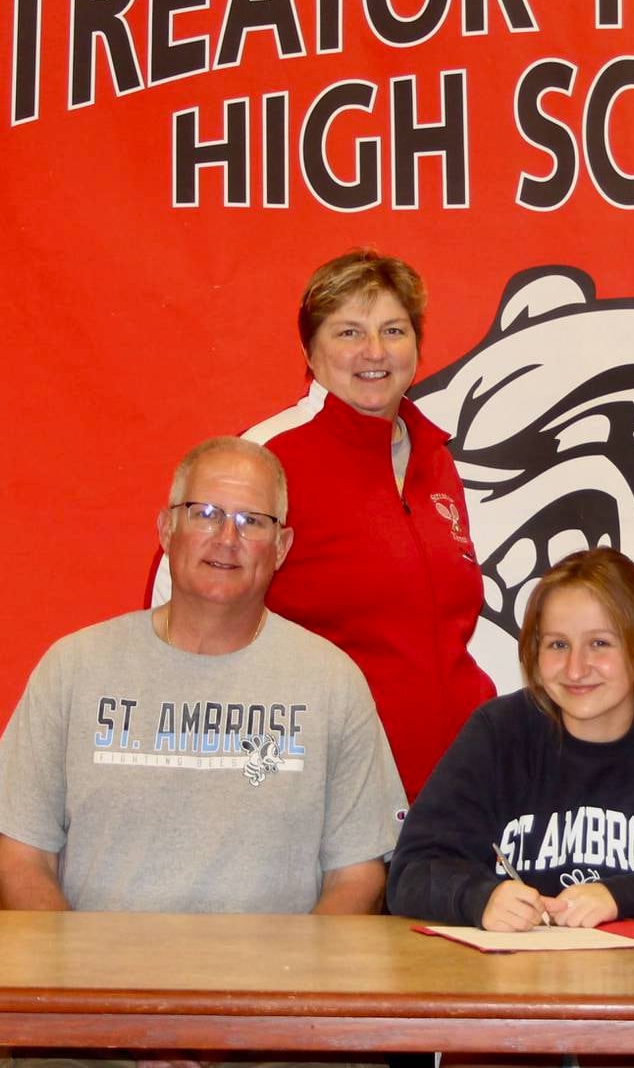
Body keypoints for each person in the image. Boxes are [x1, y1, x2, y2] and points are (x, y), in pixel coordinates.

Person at [0, 436, 406, 915]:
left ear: (281, 548)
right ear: (165, 528)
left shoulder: (332, 682)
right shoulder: (74, 668)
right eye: (205, 513)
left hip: (270, 985)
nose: (227, 538)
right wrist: (75, 978)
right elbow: (20, 859)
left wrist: (294, 984)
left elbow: (359, 873)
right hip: (102, 983)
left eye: (252, 521)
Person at [151, 248, 493, 802]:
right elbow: (177, 608)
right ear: (309, 350)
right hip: (321, 797)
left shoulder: (436, 458)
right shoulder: (267, 457)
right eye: (349, 332)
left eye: (393, 330)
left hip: (452, 793)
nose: (374, 352)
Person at [386, 548, 634, 930]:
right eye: (558, 645)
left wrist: (624, 896)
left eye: (600, 644)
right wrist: (479, 897)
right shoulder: (497, 733)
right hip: (516, 986)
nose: (576, 668)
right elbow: (410, 872)